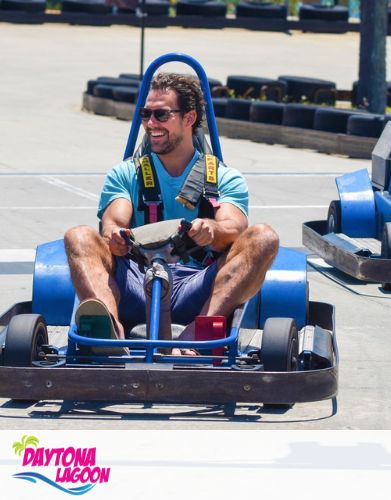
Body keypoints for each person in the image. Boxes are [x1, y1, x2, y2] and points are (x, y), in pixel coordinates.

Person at [63, 73, 279, 355]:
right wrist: (114, 235)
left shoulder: (225, 178)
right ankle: (111, 332)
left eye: (161, 115)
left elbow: (234, 226)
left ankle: (199, 332)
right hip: (135, 281)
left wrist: (211, 230)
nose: (151, 124)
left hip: (196, 286)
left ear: (189, 119)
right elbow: (114, 221)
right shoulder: (127, 173)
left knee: (264, 237)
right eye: (146, 114)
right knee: (78, 236)